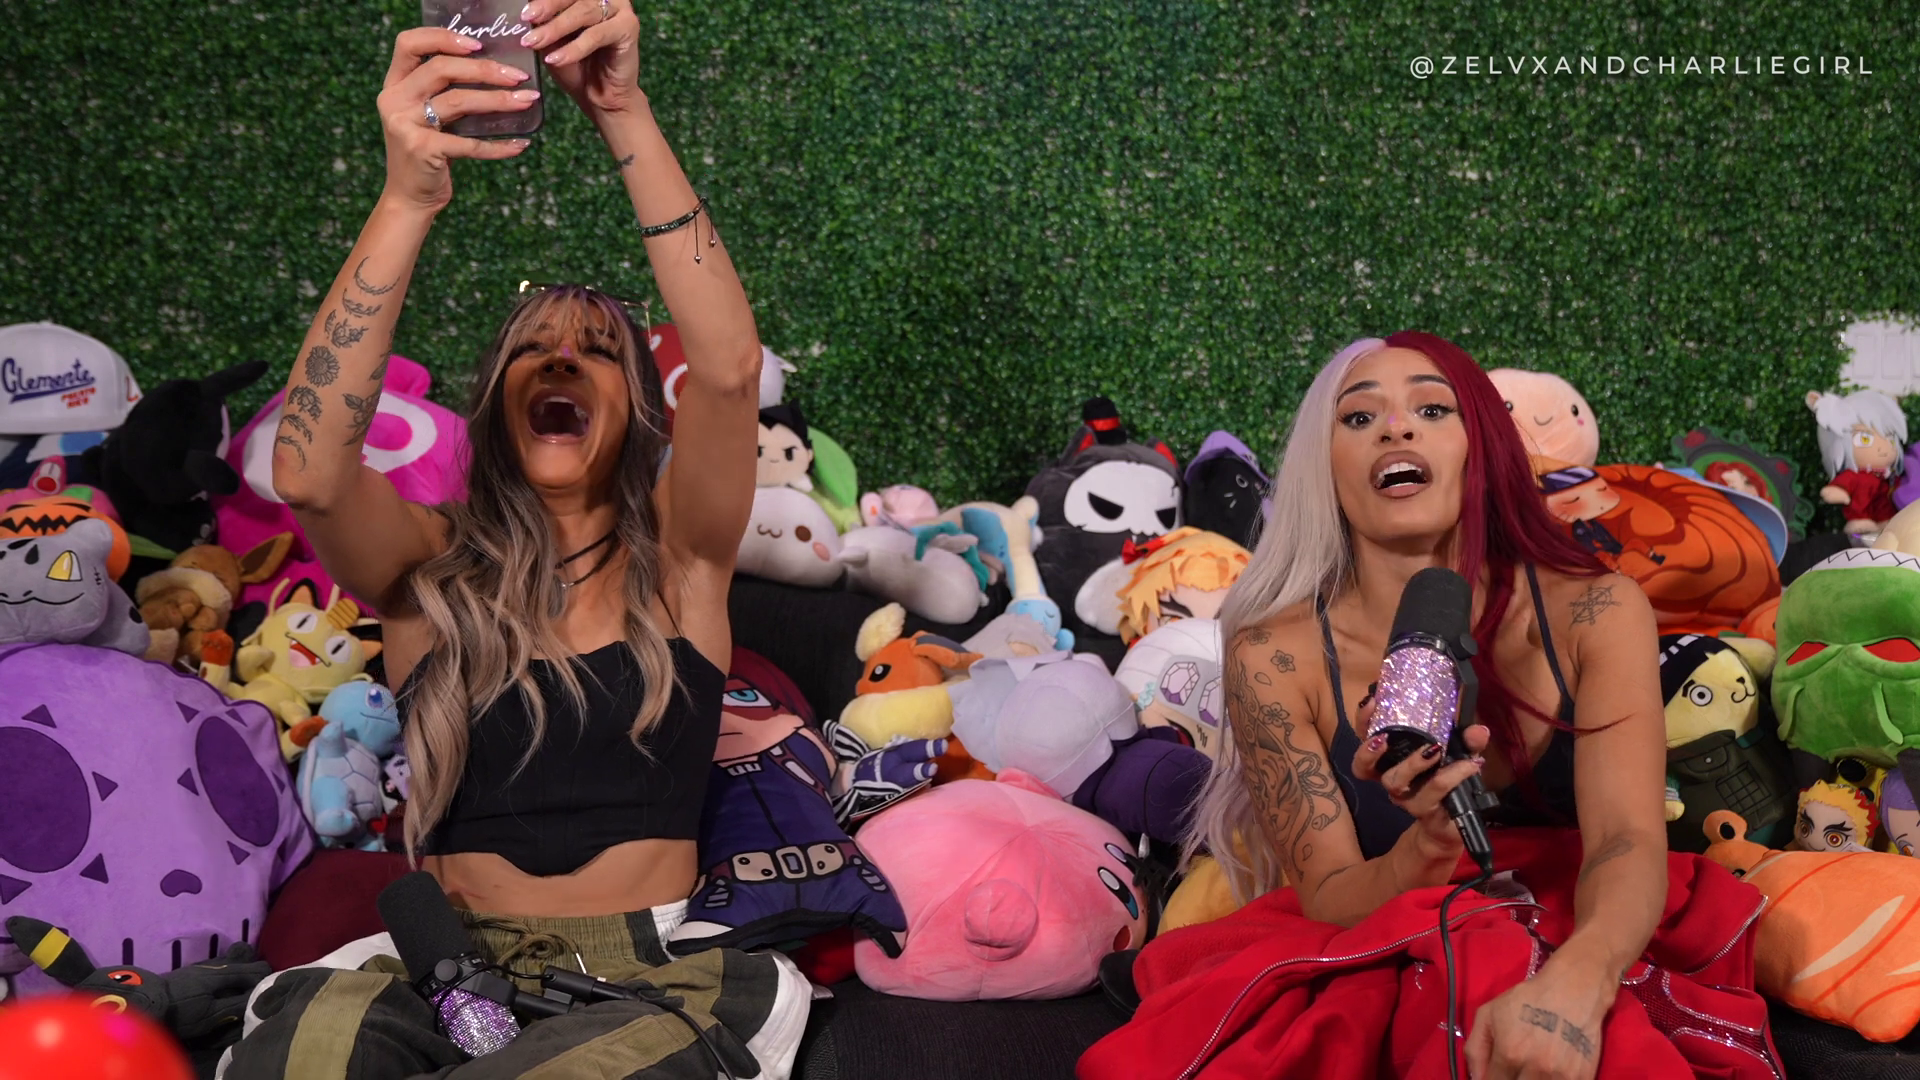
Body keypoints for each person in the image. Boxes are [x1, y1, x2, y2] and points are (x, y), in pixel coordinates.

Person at [222, 4, 809, 1077]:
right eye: (532, 349)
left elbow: (728, 369)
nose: (562, 360)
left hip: (644, 979)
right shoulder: (427, 571)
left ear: (639, 413)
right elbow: (306, 471)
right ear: (495, 405)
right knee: (306, 1054)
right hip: (442, 971)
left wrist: (621, 108)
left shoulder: (682, 565)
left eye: (599, 351)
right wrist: (406, 197)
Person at [1080, 334, 1780, 1080]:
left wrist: (1580, 982)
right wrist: (1429, 846)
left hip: (1590, 924)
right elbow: (1332, 896)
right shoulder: (1271, 653)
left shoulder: (1597, 610)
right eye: (1359, 417)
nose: (1395, 428)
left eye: (1432, 408)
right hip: (1388, 938)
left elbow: (1626, 839)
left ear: (1482, 447)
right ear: (1325, 466)